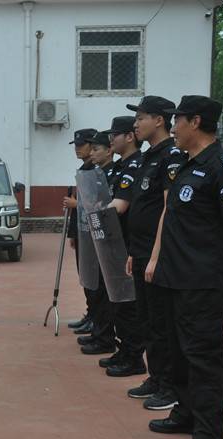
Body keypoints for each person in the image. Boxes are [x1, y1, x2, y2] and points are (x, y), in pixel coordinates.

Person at [146, 96, 223, 439]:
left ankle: (209, 434)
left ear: (195, 122)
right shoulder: (185, 165)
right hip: (174, 276)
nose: (172, 127)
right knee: (178, 353)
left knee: (204, 356)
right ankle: (185, 412)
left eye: (177, 120)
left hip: (203, 280)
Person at [122, 96, 188, 410]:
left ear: (159, 120)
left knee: (162, 322)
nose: (136, 124)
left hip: (157, 254)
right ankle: (156, 376)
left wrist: (154, 255)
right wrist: (134, 251)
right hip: (141, 250)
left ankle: (169, 386)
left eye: (141, 118)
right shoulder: (148, 157)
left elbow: (167, 208)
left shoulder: (170, 156)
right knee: (147, 319)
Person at [95, 116, 146, 377]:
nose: (110, 140)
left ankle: (133, 356)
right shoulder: (121, 167)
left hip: (128, 244)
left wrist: (96, 215)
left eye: (114, 135)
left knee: (128, 305)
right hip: (115, 242)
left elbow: (119, 206)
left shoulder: (137, 165)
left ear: (129, 137)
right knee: (118, 303)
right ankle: (124, 350)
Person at [76, 132, 117, 356]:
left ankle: (105, 338)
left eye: (95, 149)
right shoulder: (95, 173)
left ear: (108, 150)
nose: (92, 153)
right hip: (92, 235)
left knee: (104, 292)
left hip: (108, 238)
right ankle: (98, 331)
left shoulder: (112, 173)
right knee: (96, 288)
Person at [64, 128, 99, 335]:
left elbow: (97, 202)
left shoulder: (97, 169)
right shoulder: (84, 169)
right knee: (84, 274)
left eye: (81, 145)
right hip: (82, 230)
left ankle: (96, 317)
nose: (77, 149)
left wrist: (76, 204)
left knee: (94, 277)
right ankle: (90, 313)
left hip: (93, 231)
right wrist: (72, 233)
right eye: (75, 145)